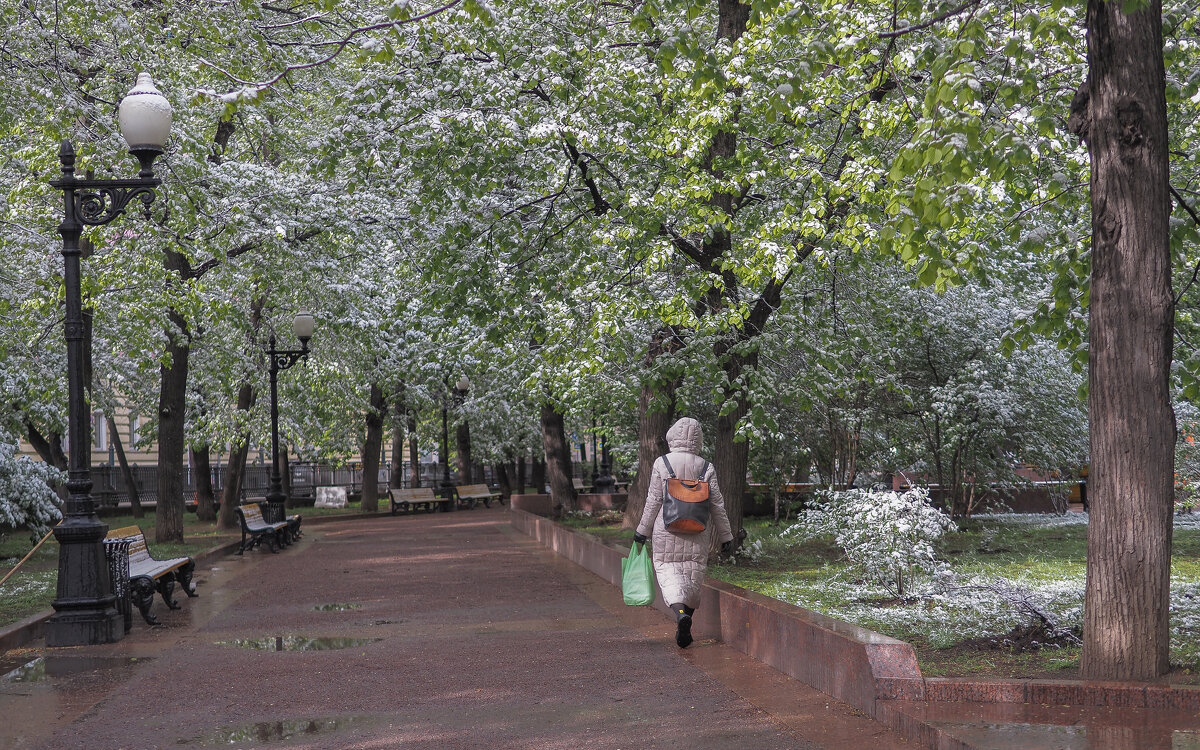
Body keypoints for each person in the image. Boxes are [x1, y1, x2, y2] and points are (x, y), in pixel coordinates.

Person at [633, 417, 734, 648]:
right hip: (698, 529)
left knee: (668, 572)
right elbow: (716, 504)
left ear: (672, 436)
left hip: (666, 530)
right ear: (698, 439)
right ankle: (686, 619)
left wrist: (642, 532)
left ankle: (680, 615)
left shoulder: (662, 463)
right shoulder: (706, 466)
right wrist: (726, 536)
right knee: (693, 574)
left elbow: (654, 501)